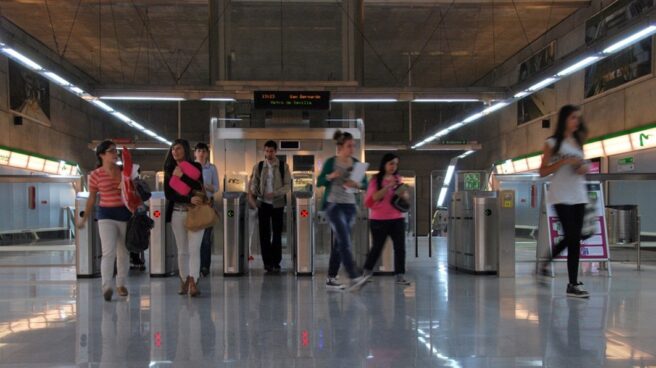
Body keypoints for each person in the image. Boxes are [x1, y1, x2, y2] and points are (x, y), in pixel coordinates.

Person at [539, 105, 590, 298]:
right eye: (572, 118)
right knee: (571, 235)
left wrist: (583, 166)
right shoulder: (552, 143)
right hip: (561, 195)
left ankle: (570, 281)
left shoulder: (578, 143)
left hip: (579, 194)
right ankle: (565, 277)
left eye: (578, 118)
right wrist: (562, 162)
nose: (576, 121)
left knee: (574, 238)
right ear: (564, 120)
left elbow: (582, 166)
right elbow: (542, 171)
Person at [78, 140, 132, 301]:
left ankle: (121, 283)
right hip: (105, 215)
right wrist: (85, 218)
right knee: (108, 252)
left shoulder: (124, 172)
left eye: (116, 151)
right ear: (101, 154)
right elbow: (92, 198)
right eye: (111, 151)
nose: (115, 154)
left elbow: (132, 193)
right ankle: (106, 286)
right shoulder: (95, 175)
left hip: (124, 213)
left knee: (123, 251)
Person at [317, 130, 369, 291]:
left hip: (349, 206)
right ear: (340, 146)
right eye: (349, 146)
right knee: (345, 240)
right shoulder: (331, 162)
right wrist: (330, 176)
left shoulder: (355, 163)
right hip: (333, 205)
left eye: (353, 146)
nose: (352, 149)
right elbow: (319, 181)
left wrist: (357, 184)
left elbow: (365, 184)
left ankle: (331, 278)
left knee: (340, 242)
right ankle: (354, 276)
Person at [362, 153, 411, 285]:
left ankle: (399, 274)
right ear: (384, 164)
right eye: (391, 163)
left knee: (400, 247)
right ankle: (367, 271)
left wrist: (402, 191)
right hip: (379, 219)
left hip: (397, 218)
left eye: (395, 164)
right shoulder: (375, 180)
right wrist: (388, 186)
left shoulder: (398, 179)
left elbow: (404, 198)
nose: (393, 167)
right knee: (377, 247)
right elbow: (373, 198)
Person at [164, 139, 205, 297]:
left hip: (195, 213)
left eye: (178, 148)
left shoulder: (196, 167)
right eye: (173, 149)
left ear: (186, 150)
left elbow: (198, 186)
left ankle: (194, 281)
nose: (175, 152)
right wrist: (188, 199)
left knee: (194, 249)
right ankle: (184, 279)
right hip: (177, 212)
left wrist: (181, 176)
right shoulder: (168, 168)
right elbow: (169, 194)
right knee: (182, 250)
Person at [249, 140, 291, 273]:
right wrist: (257, 192)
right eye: (266, 151)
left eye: (271, 151)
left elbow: (287, 186)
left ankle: (276, 261)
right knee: (264, 234)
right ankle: (267, 262)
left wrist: (275, 193)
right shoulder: (259, 166)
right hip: (263, 204)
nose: (269, 154)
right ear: (264, 151)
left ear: (276, 151)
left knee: (277, 234)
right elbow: (254, 182)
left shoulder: (283, 166)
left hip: (277, 204)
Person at [194, 142, 219, 278]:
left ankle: (205, 266)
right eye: (199, 151)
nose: (201, 154)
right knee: (194, 237)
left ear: (207, 153)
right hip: (194, 205)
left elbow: (216, 187)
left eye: (204, 151)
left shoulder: (212, 168)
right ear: (195, 153)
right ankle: (194, 265)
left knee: (206, 239)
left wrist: (207, 186)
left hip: (208, 203)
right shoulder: (190, 167)